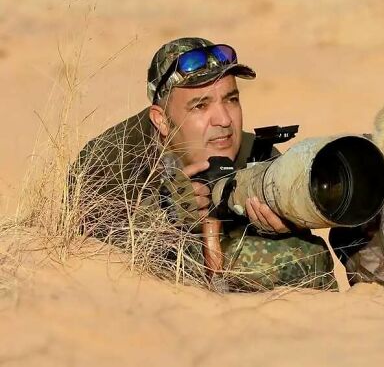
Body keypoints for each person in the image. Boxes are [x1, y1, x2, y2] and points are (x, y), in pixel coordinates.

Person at [71, 37, 336, 291]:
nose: (223, 120)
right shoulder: (112, 159)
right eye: (200, 106)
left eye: (231, 100)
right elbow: (81, 256)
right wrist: (162, 213)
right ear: (161, 120)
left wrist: (288, 222)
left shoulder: (252, 151)